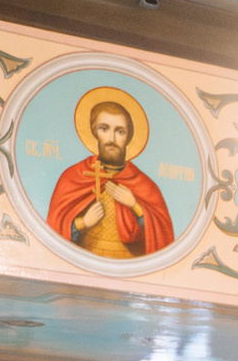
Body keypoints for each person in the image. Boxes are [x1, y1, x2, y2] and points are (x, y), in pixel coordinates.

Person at [47, 96, 175, 260]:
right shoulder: (73, 177)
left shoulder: (144, 185)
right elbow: (55, 232)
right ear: (94, 131)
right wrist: (83, 222)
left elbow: (160, 238)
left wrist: (135, 205)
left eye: (120, 131)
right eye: (104, 129)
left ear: (129, 136)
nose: (112, 139)